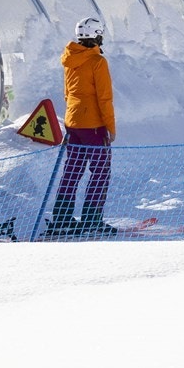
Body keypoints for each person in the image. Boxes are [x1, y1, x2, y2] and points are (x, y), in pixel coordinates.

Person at [46, 17, 117, 238]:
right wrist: (110, 127)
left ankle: (62, 217)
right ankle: (92, 219)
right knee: (100, 171)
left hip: (73, 122)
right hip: (93, 125)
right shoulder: (97, 62)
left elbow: (67, 93)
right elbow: (104, 98)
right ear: (96, 35)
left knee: (72, 170)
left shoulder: (70, 59)